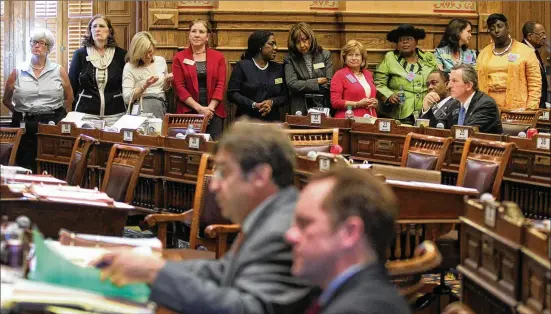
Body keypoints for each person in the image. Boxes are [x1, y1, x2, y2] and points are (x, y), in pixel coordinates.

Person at [91, 121, 314, 314]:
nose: (214, 185)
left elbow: (247, 309)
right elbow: (222, 271)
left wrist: (156, 272)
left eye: (224, 173)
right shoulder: (271, 215)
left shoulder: (281, 230)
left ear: (259, 176)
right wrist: (154, 264)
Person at [285, 167, 410, 314]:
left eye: (304, 224)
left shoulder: (357, 310)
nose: (290, 236)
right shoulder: (340, 296)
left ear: (349, 232)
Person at [2, 29, 72, 172]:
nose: (37, 45)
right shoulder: (18, 71)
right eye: (34, 42)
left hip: (52, 122)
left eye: (41, 43)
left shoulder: (58, 70)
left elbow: (69, 98)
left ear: (48, 48)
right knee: (25, 164)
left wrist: (57, 114)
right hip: (25, 124)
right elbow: (6, 100)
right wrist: (20, 112)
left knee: (53, 164)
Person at [69, 14, 127, 127]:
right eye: (94, 26)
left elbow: (125, 84)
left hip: (115, 114)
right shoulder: (80, 54)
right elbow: (72, 85)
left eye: (101, 26)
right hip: (85, 114)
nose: (97, 29)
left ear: (109, 31)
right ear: (90, 31)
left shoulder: (121, 55)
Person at [173, 19, 227, 140]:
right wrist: (199, 109)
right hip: (188, 111)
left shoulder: (218, 57)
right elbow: (180, 88)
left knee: (213, 151)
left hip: (213, 112)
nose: (197, 35)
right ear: (189, 34)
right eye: (193, 31)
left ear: (207, 37)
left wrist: (209, 110)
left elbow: (220, 85)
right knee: (189, 151)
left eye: (201, 32)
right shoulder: (179, 57)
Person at [374, 24, 437, 125]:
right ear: (397, 45)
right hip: (400, 113)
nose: (405, 42)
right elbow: (378, 83)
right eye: (401, 40)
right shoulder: (390, 58)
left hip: (426, 110)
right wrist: (389, 95)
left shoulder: (428, 58)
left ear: (416, 42)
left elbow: (438, 81)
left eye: (409, 39)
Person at [477, 13, 542, 110]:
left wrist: (531, 108)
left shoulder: (525, 51)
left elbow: (535, 83)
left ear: (507, 27)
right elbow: (477, 81)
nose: (496, 31)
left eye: (500, 26)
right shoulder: (483, 53)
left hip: (517, 107)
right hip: (487, 107)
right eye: (492, 28)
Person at [227, 31, 288, 121]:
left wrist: (272, 102)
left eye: (275, 44)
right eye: (271, 44)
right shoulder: (242, 66)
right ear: (260, 46)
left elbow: (285, 96)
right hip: (246, 122)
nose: (276, 48)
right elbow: (232, 94)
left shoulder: (278, 68)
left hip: (272, 124)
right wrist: (254, 104)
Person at [285, 22, 333, 114]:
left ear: (311, 38)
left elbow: (328, 83)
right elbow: (292, 84)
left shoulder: (325, 55)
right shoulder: (290, 59)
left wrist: (302, 85)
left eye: (304, 40)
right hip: (300, 108)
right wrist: (316, 82)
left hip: (321, 105)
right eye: (297, 42)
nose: (302, 45)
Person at [122, 31, 172, 119]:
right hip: (141, 107)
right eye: (144, 54)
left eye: (150, 51)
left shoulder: (160, 61)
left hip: (160, 105)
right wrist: (145, 86)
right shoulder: (129, 67)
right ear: (137, 53)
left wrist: (168, 82)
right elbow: (126, 98)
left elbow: (165, 89)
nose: (149, 56)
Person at [447, 64, 503, 134]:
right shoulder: (453, 104)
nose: (449, 85)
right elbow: (439, 126)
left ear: (469, 86)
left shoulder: (486, 105)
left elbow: (468, 133)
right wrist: (428, 106)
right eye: (449, 80)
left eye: (454, 81)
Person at [330, 40, 378, 118]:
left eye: (357, 55)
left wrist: (375, 102)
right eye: (350, 55)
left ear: (362, 58)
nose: (354, 58)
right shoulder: (339, 74)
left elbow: (369, 95)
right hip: (348, 119)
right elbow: (335, 102)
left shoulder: (367, 74)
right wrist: (356, 104)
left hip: (370, 119)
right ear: (345, 58)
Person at [522, 21, 548, 108]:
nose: (544, 37)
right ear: (530, 36)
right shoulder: (522, 52)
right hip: (529, 106)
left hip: (539, 104)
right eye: (541, 34)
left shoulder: (534, 51)